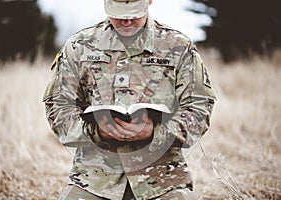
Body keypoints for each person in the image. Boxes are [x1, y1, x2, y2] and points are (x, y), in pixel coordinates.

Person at [43, 0, 216, 199]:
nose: (126, 21)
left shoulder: (178, 47)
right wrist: (95, 132)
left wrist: (157, 132)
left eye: (134, 13)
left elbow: (199, 106)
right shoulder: (79, 46)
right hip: (94, 180)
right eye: (119, 13)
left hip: (162, 180)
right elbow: (58, 104)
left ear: (150, 1)